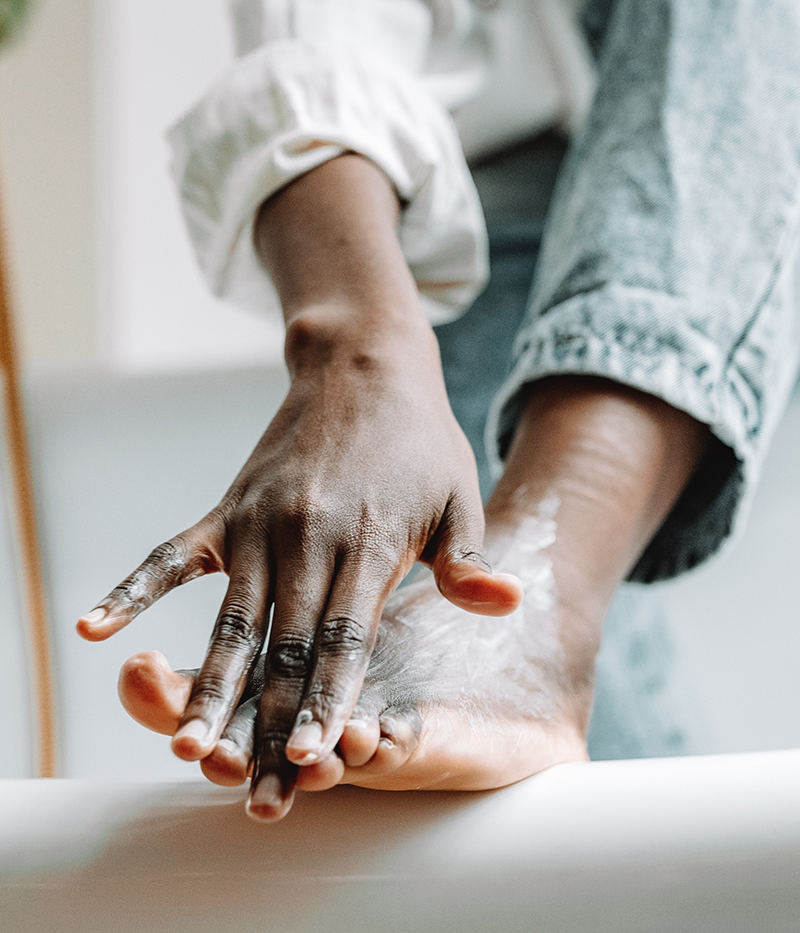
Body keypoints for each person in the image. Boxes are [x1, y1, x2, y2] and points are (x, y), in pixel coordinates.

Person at [78, 0, 800, 822]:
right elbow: (325, 28)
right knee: (486, 752)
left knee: (510, 632)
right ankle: (534, 632)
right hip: (502, 213)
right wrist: (356, 346)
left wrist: (542, 586)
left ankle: (540, 612)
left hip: (764, 188)